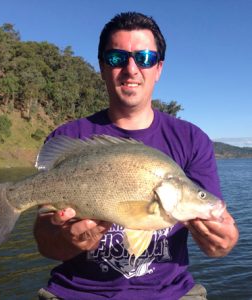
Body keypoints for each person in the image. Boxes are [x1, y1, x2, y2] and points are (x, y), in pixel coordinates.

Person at [34, 12, 239, 300]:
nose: (132, 69)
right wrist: (69, 241)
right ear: (103, 67)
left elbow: (217, 246)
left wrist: (222, 241)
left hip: (171, 294)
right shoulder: (68, 138)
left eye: (144, 58)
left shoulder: (192, 139)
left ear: (159, 68)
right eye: (118, 58)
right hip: (76, 292)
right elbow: (46, 245)